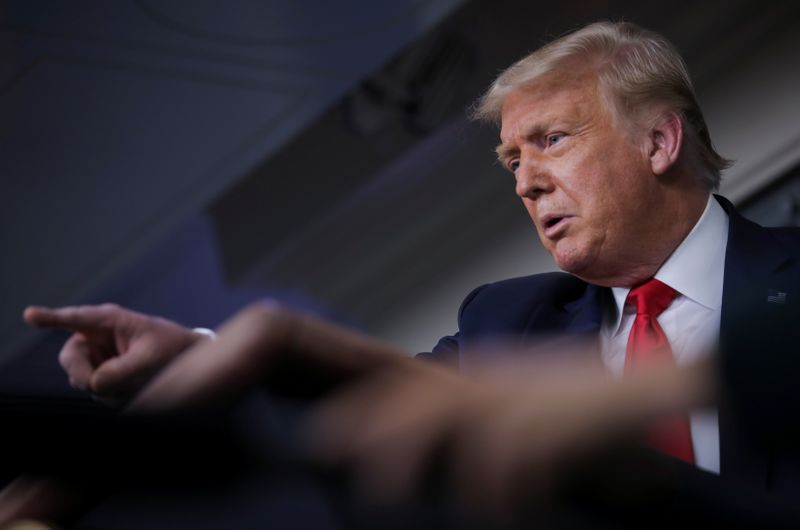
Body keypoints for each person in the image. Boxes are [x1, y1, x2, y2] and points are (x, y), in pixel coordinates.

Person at [5, 20, 800, 527]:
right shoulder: (507, 319)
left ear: (659, 144)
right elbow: (366, 394)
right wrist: (191, 354)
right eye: (509, 161)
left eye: (551, 140)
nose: (523, 182)